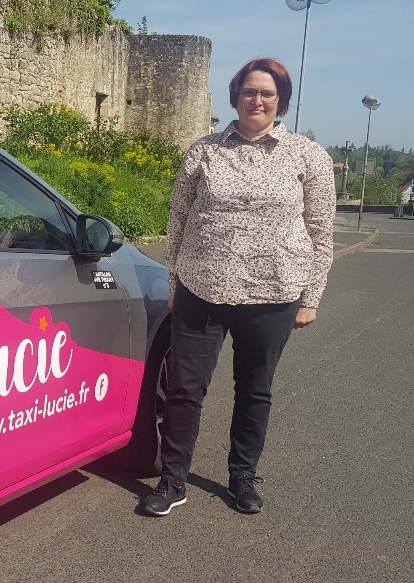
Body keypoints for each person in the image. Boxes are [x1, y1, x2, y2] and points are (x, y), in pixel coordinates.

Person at [142, 57, 335, 516]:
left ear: (281, 101)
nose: (257, 100)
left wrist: (311, 297)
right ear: (236, 96)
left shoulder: (307, 155)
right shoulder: (204, 151)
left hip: (273, 293)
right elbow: (178, 221)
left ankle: (242, 476)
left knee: (254, 389)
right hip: (202, 287)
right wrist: (174, 282)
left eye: (267, 93)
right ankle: (173, 481)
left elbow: (320, 231)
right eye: (249, 91)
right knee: (185, 389)